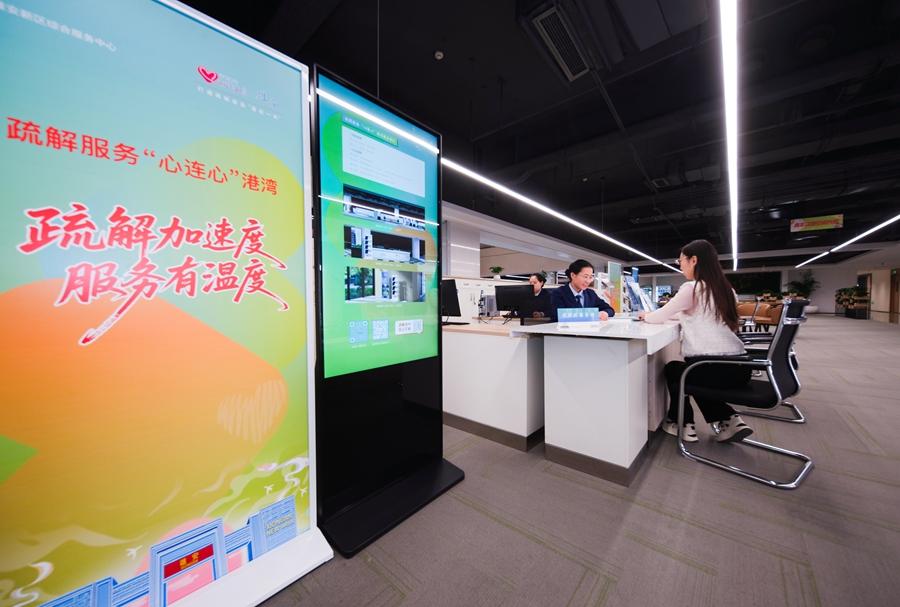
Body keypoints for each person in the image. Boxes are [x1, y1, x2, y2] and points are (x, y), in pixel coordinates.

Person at [637, 240, 752, 443]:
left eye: (681, 260)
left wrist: (645, 315)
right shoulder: (727, 290)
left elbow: (657, 317)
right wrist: (672, 316)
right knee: (691, 375)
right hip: (741, 368)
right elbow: (696, 314)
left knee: (676, 371)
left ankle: (682, 423)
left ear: (694, 260)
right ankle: (727, 419)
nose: (680, 265)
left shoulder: (691, 287)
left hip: (711, 368)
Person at [549, 260, 615, 321]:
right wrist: (592, 315)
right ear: (573, 275)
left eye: (590, 277)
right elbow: (557, 316)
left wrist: (605, 313)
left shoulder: (590, 294)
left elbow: (610, 309)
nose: (588, 281)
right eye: (585, 277)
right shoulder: (558, 293)